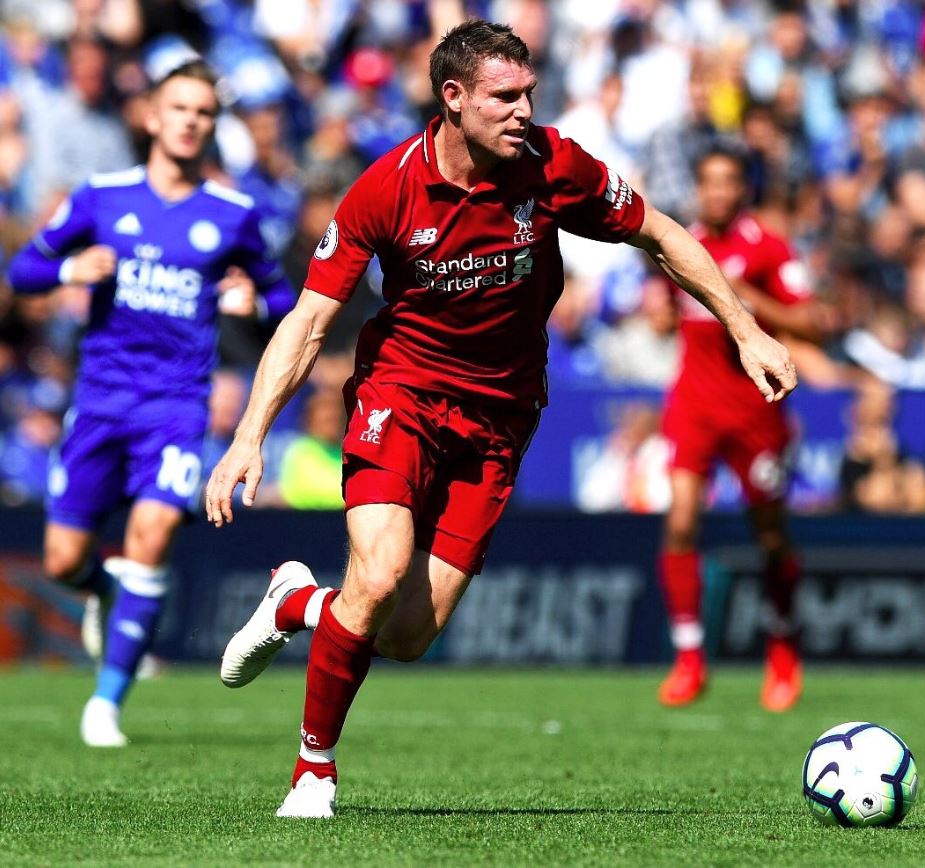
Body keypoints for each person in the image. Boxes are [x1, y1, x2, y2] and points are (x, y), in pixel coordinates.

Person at [203, 20, 796, 819]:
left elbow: (659, 233)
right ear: (453, 98)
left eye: (529, 95)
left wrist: (745, 329)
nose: (524, 112)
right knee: (378, 575)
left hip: (501, 414)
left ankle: (297, 604)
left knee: (406, 634)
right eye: (504, 97)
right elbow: (309, 321)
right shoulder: (387, 188)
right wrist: (248, 437)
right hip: (402, 395)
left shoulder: (553, 166)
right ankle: (314, 773)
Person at [6, 60, 295, 747]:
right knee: (62, 561)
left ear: (212, 126)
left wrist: (255, 301)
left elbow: (285, 297)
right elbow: (23, 270)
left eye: (204, 112)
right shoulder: (102, 197)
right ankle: (102, 591)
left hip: (176, 406)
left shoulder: (232, 213)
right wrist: (70, 268)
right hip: (99, 402)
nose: (191, 121)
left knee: (154, 533)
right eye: (180, 108)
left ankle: (106, 703)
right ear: (153, 117)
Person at [656, 147, 820, 713]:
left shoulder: (769, 248)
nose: (719, 192)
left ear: (743, 188)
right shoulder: (680, 243)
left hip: (756, 410)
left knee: (770, 535)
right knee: (681, 522)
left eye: (728, 181)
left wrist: (747, 299)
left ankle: (783, 647)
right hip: (693, 407)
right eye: (709, 182)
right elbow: (667, 312)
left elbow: (812, 322)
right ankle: (689, 658)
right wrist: (659, 313)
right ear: (698, 189)